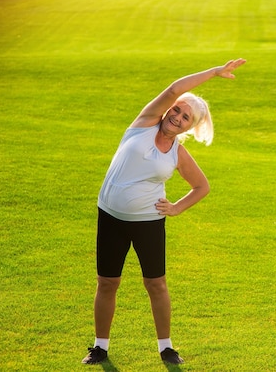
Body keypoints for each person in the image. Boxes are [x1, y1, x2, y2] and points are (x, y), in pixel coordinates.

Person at [82, 58, 247, 365]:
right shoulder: (143, 124)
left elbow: (202, 186)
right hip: (110, 217)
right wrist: (213, 73)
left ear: (190, 126)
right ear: (169, 109)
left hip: (149, 223)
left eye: (186, 117)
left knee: (155, 284)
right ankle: (99, 347)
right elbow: (174, 89)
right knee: (107, 282)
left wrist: (175, 208)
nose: (178, 117)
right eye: (177, 110)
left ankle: (166, 347)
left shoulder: (178, 153)